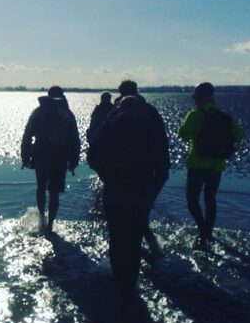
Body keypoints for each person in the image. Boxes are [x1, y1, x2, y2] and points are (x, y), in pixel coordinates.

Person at [87, 96, 162, 307]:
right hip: (140, 194)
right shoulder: (149, 130)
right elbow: (160, 164)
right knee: (134, 241)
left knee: (116, 237)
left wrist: (104, 174)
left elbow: (92, 156)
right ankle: (130, 285)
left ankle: (118, 278)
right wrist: (151, 188)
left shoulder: (108, 128)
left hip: (114, 192)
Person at [178, 82, 243, 249]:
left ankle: (203, 230)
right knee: (210, 200)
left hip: (197, 164)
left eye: (196, 98)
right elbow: (239, 136)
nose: (195, 102)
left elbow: (183, 134)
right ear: (212, 98)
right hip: (217, 166)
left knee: (192, 202)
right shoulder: (225, 117)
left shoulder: (195, 115)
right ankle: (208, 231)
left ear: (199, 99)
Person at [113, 80, 169, 257]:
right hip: (150, 170)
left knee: (130, 212)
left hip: (127, 172)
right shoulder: (150, 110)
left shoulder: (117, 113)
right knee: (140, 209)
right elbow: (162, 139)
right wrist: (163, 167)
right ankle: (147, 245)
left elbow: (103, 143)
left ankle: (141, 247)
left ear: (121, 93)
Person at [21, 86, 81, 237]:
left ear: (48, 96)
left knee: (41, 186)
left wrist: (25, 154)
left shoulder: (38, 112)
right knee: (54, 191)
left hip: (41, 154)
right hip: (60, 156)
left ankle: (42, 217)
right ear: (62, 96)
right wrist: (74, 159)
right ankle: (51, 224)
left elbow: (27, 134)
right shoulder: (67, 114)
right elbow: (75, 138)